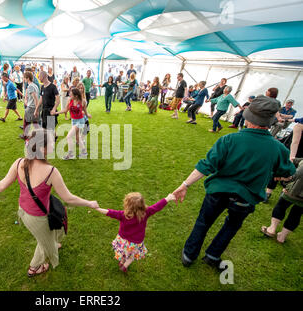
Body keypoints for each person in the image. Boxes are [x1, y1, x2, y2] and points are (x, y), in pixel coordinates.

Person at [174, 94, 296, 270]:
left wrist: (185, 185)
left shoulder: (229, 140)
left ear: (248, 119)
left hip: (218, 192)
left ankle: (189, 255)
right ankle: (212, 255)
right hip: (245, 198)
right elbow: (287, 172)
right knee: (231, 226)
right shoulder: (278, 148)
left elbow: (207, 165)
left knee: (204, 222)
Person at [0, 128, 98, 276]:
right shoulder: (51, 171)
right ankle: (34, 268)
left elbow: (1, 184)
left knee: (54, 232)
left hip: (24, 210)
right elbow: (69, 198)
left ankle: (51, 243)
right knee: (44, 245)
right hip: (37, 217)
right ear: (43, 148)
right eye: (52, 142)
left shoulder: (19, 163)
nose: (54, 144)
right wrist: (90, 203)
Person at [89, 192, 176, 273]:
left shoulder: (123, 215)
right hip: (135, 243)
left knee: (123, 252)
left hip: (123, 240)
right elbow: (157, 206)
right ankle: (124, 266)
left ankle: (122, 261)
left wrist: (97, 208)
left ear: (127, 205)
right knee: (131, 257)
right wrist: (167, 198)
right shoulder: (146, 213)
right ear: (142, 205)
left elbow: (109, 212)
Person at [261, 158, 302, 243]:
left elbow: (295, 175)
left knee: (281, 205)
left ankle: (271, 229)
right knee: (297, 213)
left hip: (295, 191)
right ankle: (282, 237)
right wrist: (294, 160)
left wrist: (282, 177)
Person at [52, 88, 90, 160]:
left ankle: (70, 154)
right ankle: (84, 152)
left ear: (75, 96)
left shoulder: (82, 101)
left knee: (68, 136)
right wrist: (55, 113)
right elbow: (65, 110)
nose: (69, 95)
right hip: (73, 121)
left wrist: (88, 115)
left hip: (80, 121)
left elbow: (85, 110)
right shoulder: (70, 100)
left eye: (71, 94)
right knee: (77, 137)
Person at [20, 71, 40, 140]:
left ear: (28, 78)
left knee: (26, 123)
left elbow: (35, 98)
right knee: (35, 123)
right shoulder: (35, 85)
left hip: (31, 107)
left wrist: (36, 109)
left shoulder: (31, 86)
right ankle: (40, 135)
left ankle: (25, 136)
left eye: (24, 78)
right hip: (34, 107)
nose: (24, 79)